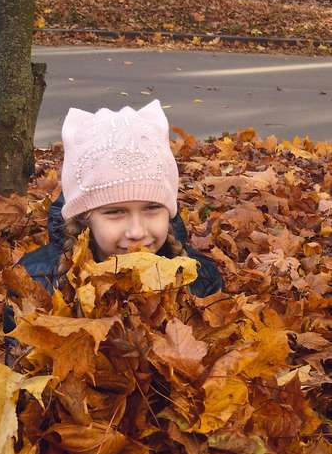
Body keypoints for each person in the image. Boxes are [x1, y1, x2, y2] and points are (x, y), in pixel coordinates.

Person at [15, 99, 222, 302]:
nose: (137, 232)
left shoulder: (198, 280)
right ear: (84, 219)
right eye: (115, 212)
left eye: (152, 208)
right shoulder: (34, 283)